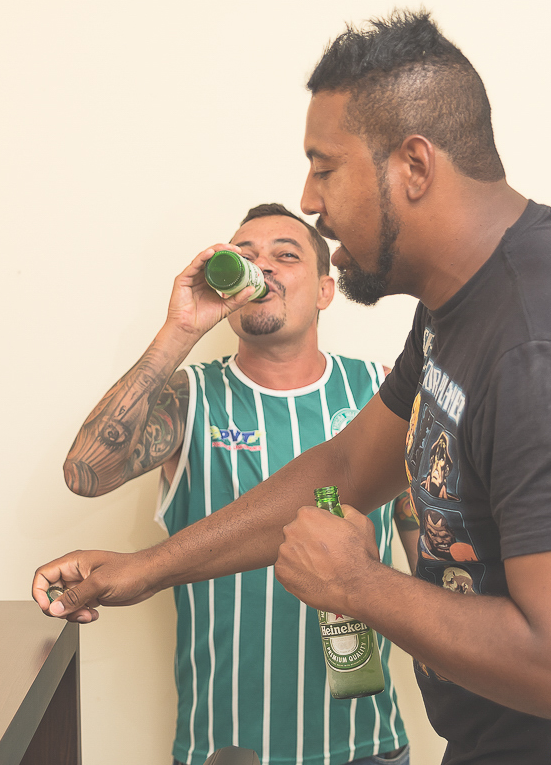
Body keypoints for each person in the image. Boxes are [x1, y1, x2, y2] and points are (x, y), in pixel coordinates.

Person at [35, 11, 551, 764]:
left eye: (324, 165)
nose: (308, 198)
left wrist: (360, 585)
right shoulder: (458, 307)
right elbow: (345, 470)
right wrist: (145, 570)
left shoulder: (546, 348)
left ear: (413, 165)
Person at [63, 202, 417, 765]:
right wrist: (180, 328)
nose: (262, 267)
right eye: (244, 257)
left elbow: (427, 553)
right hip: (225, 749)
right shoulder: (190, 397)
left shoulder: (382, 395)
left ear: (325, 290)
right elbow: (86, 472)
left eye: (286, 255)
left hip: (366, 745)